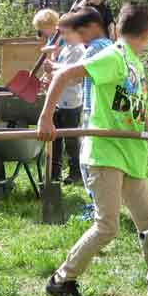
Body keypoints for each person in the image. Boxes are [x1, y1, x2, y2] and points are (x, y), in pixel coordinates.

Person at [37, 1, 148, 296]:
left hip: (130, 154)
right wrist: (46, 118)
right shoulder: (113, 57)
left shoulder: (134, 64)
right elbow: (64, 77)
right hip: (104, 155)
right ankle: (61, 280)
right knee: (107, 226)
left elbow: (136, 107)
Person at [55, 7, 113, 219]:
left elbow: (73, 77)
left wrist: (56, 73)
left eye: (80, 33)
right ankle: (100, 205)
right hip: (101, 110)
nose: (79, 39)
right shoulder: (109, 47)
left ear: (90, 28)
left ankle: (97, 208)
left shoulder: (94, 50)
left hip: (94, 110)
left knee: (88, 161)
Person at [49, 22, 84, 184]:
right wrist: (49, 78)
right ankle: (54, 172)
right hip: (59, 101)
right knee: (54, 139)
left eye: (67, 33)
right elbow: (59, 73)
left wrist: (53, 71)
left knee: (71, 140)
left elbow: (73, 77)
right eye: (62, 33)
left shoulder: (78, 51)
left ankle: (75, 172)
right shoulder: (66, 49)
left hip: (71, 103)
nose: (64, 36)